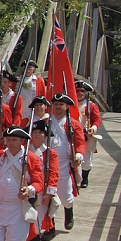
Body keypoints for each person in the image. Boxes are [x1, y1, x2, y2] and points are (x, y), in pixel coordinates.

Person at [48, 93, 86, 230]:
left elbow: (80, 143)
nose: (58, 107)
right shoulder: (47, 122)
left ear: (66, 107)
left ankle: (69, 211)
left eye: (61, 104)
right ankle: (49, 226)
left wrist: (79, 156)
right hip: (48, 164)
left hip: (65, 164)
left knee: (66, 197)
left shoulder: (73, 124)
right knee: (49, 197)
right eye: (56, 104)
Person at [26, 120, 60, 241]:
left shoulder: (50, 153)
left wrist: (49, 193)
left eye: (40, 132)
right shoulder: (25, 151)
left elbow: (53, 174)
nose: (37, 135)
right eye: (34, 132)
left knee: (37, 222)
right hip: (26, 190)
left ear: (45, 136)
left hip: (41, 193)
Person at [75, 81, 101, 188]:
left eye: (82, 91)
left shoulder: (91, 106)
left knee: (86, 160)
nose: (80, 93)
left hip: (86, 135)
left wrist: (93, 128)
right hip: (73, 135)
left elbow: (97, 119)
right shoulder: (70, 104)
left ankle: (84, 179)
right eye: (77, 91)